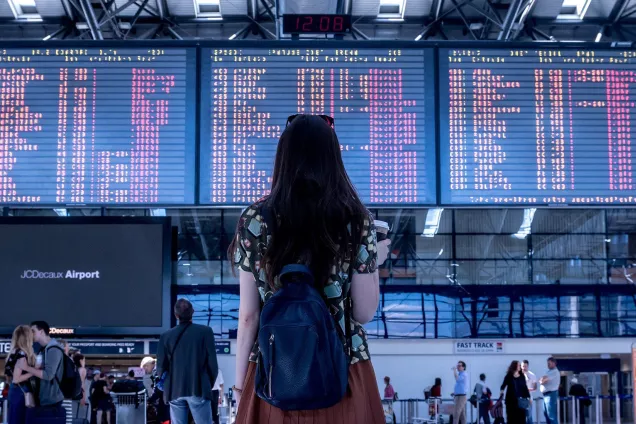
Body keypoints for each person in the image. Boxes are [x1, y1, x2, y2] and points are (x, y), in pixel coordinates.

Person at [229, 114, 391, 424]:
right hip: (343, 370)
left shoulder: (254, 219)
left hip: (275, 371)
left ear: (284, 157)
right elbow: (364, 313)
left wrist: (240, 388)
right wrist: (372, 264)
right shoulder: (356, 219)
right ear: (333, 157)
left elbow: (249, 316)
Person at [156, 298, 218, 424]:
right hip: (198, 387)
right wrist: (208, 383)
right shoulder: (205, 332)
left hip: (174, 390)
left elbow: (160, 367)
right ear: (193, 312)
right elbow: (212, 363)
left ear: (176, 315)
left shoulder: (166, 336)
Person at [18, 321, 66, 423]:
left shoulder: (54, 349)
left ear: (41, 331)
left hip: (51, 401)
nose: (31, 334)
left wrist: (26, 367)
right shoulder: (43, 350)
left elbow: (48, 375)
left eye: (33, 331)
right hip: (44, 400)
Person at [5, 325, 36, 424]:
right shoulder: (22, 354)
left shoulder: (13, 353)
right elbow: (16, 379)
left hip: (15, 391)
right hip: (21, 392)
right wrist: (34, 371)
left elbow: (10, 378)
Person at [540, 357, 560, 424]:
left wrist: (542, 380)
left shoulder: (554, 371)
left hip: (551, 395)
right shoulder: (549, 371)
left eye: (549, 363)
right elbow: (542, 379)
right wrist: (542, 379)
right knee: (546, 414)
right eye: (547, 363)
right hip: (546, 395)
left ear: (554, 363)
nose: (547, 365)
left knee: (551, 415)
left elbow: (543, 380)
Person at [72, 353, 88, 421]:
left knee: (73, 414)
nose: (85, 361)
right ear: (81, 361)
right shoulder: (82, 369)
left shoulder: (74, 368)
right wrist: (83, 396)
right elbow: (82, 383)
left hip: (72, 393)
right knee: (81, 415)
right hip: (79, 394)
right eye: (84, 360)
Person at [523, 360, 538, 424]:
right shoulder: (517, 375)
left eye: (525, 366)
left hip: (528, 399)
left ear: (528, 366)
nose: (524, 368)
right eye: (523, 366)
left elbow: (535, 388)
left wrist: (527, 390)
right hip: (519, 399)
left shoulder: (532, 375)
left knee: (529, 416)